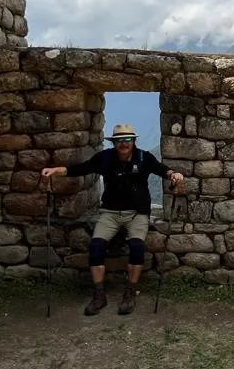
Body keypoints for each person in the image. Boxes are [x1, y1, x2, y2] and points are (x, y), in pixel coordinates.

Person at [41, 123, 184, 316]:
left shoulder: (144, 158)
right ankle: (99, 294)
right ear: (114, 143)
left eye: (127, 140)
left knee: (137, 248)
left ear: (134, 141)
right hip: (110, 213)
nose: (123, 144)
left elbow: (162, 170)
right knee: (96, 247)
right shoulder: (105, 158)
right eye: (119, 140)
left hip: (137, 214)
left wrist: (173, 175)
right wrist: (56, 171)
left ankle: (130, 291)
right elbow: (81, 169)